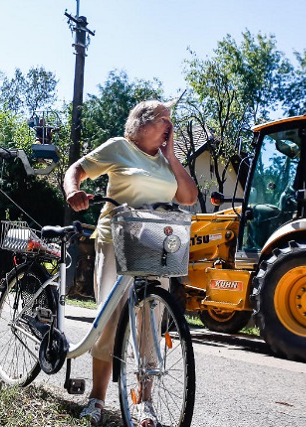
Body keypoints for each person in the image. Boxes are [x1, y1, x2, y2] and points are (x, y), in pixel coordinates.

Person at [64, 100, 198, 426]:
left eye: (171, 121)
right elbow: (76, 169)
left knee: (150, 325)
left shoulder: (166, 163)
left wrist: (173, 158)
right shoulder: (120, 147)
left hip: (155, 242)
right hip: (117, 240)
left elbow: (189, 197)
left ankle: (144, 403)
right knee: (109, 321)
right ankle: (96, 398)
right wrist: (73, 190)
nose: (170, 126)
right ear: (141, 123)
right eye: (164, 119)